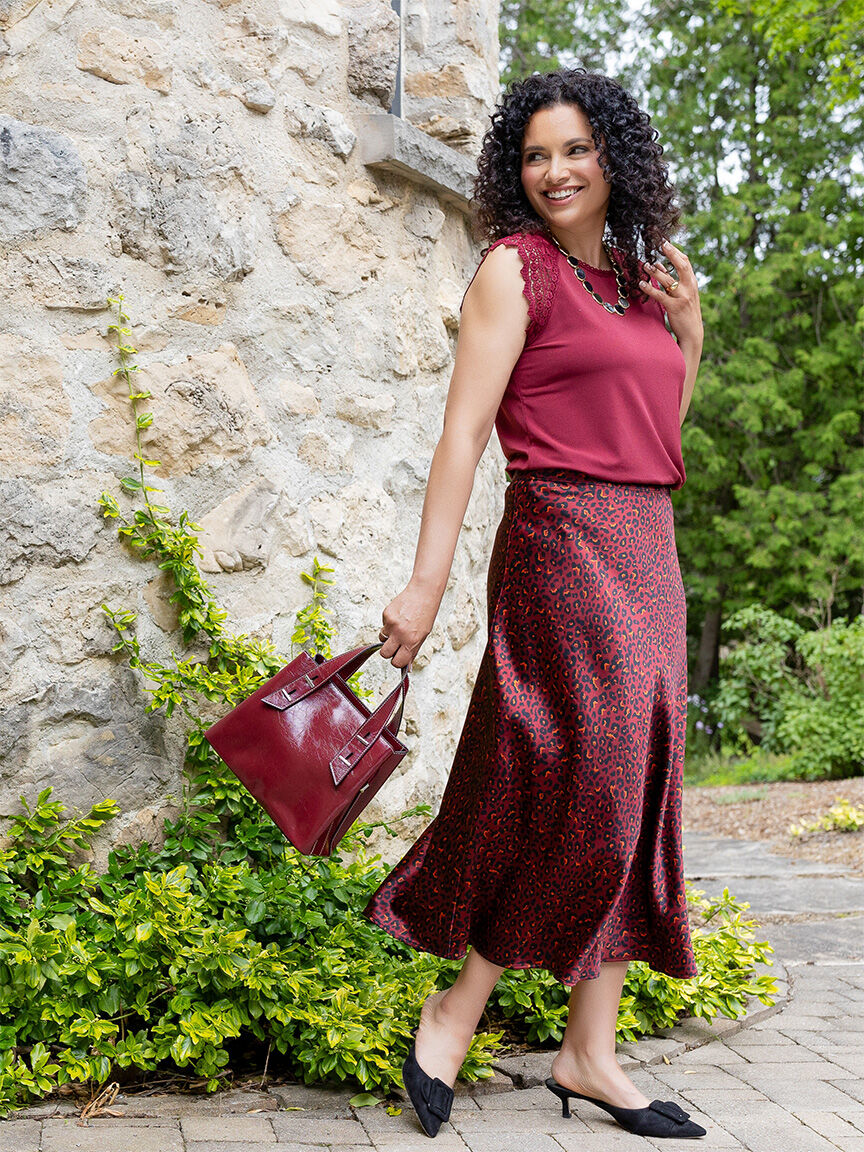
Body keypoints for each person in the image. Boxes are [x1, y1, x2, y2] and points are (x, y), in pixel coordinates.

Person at [362, 66, 707, 1141]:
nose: (556, 172)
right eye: (536, 156)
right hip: (562, 539)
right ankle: (457, 1010)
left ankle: (588, 1054)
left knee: (635, 788)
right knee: (587, 785)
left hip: (649, 545)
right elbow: (464, 434)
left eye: (576, 151)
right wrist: (425, 582)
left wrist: (691, 332)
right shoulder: (515, 272)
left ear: (616, 159)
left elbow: (664, 432)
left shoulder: (640, 282)